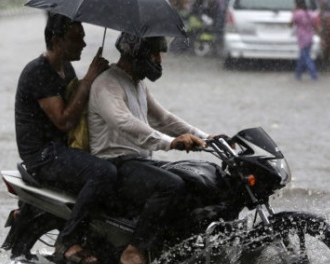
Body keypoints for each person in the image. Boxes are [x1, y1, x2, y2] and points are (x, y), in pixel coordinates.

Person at [87, 32, 217, 264]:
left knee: (192, 181)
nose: (159, 59)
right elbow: (123, 121)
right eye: (154, 53)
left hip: (139, 161)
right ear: (135, 52)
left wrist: (206, 137)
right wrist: (169, 142)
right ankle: (134, 250)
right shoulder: (107, 83)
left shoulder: (137, 83)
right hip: (115, 163)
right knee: (170, 185)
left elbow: (163, 118)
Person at [14, 13, 115, 264]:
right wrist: (90, 78)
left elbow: (78, 104)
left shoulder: (65, 68)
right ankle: (69, 240)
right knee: (103, 173)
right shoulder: (39, 72)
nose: (82, 44)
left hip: (61, 148)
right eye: (75, 38)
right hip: (43, 156)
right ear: (57, 40)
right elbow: (65, 120)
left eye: (82, 37)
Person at [291, 0, 319, 81]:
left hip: (302, 38)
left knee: (306, 57)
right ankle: (297, 75)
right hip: (310, 37)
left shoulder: (297, 14)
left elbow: (290, 24)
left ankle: (314, 75)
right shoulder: (310, 13)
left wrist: (293, 13)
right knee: (302, 57)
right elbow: (316, 23)